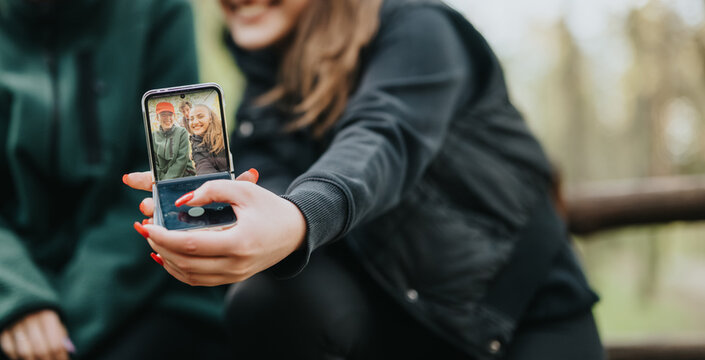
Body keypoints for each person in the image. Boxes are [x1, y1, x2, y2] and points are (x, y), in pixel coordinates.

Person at [125, 0, 605, 359]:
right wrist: (224, 220)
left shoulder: (418, 28)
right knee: (264, 298)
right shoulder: (260, 107)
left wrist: (298, 216)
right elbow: (271, 197)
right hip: (397, 324)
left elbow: (382, 139)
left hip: (518, 317)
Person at [0, 0, 231, 359]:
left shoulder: (158, 11)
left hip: (144, 289)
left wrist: (70, 314)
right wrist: (19, 296)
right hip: (3, 291)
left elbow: (172, 176)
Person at [153, 102, 195, 180]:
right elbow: (154, 162)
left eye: (170, 114)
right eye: (163, 115)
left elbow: (182, 160)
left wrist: (167, 181)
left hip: (185, 177)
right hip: (162, 179)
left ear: (174, 116)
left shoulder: (182, 132)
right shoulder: (153, 136)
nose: (168, 118)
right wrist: (162, 179)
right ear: (157, 118)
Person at [189, 104, 229, 175]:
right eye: (191, 119)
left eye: (200, 116)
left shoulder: (225, 133)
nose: (195, 122)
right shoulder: (196, 143)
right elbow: (205, 172)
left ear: (210, 119)